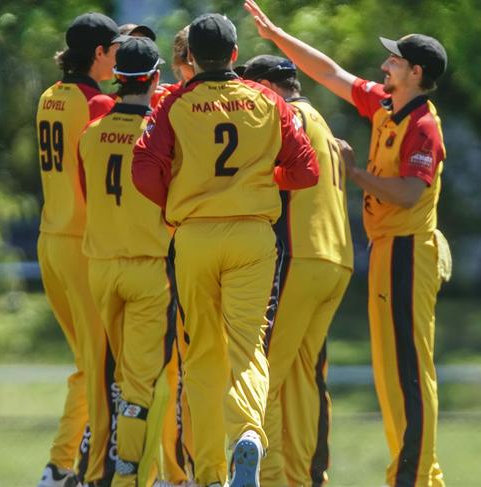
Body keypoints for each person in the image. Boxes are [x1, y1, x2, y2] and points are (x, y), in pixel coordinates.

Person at [245, 1, 451, 486]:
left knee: (409, 372)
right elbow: (330, 72)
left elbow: (409, 192)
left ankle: (419, 477)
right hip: (384, 251)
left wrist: (355, 172)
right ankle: (408, 471)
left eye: (395, 62)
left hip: (408, 252)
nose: (384, 66)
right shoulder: (386, 104)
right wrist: (277, 36)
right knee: (388, 373)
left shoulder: (423, 124)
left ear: (415, 72)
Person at [132, 13, 319, 487]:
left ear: (190, 57)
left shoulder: (175, 101)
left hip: (194, 236)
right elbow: (305, 171)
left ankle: (212, 472)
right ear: (235, 54)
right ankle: (250, 437)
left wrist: (178, 200)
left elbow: (143, 168)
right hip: (253, 237)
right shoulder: (270, 101)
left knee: (200, 355)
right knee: (248, 349)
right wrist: (262, 181)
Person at [242, 54, 353, 487]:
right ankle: (304, 478)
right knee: (303, 376)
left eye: (252, 88)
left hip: (298, 257)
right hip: (336, 259)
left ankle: (266, 480)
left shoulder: (280, 115)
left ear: (268, 85)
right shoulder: (319, 118)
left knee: (262, 373)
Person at [78, 37, 176, 487]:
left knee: (117, 376)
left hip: (101, 267)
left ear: (118, 78)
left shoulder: (91, 134)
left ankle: (120, 470)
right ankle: (129, 477)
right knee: (140, 384)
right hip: (148, 269)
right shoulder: (160, 134)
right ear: (155, 79)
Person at [35, 12, 126, 487]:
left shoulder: (49, 96)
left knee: (87, 366)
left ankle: (60, 463)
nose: (119, 57)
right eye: (115, 49)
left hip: (50, 240)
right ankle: (83, 471)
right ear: (99, 53)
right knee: (103, 368)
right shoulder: (100, 104)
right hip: (81, 245)